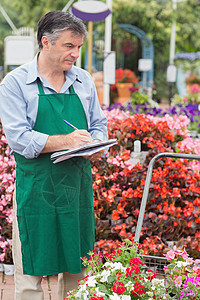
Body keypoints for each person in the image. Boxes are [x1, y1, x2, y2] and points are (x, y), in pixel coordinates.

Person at [0, 10, 108, 300]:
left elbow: (98, 124)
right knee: (32, 272)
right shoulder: (15, 84)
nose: (75, 54)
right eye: (69, 46)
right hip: (37, 189)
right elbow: (19, 138)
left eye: (79, 47)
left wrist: (96, 145)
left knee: (77, 269)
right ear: (46, 42)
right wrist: (67, 141)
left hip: (76, 187)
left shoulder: (83, 80)